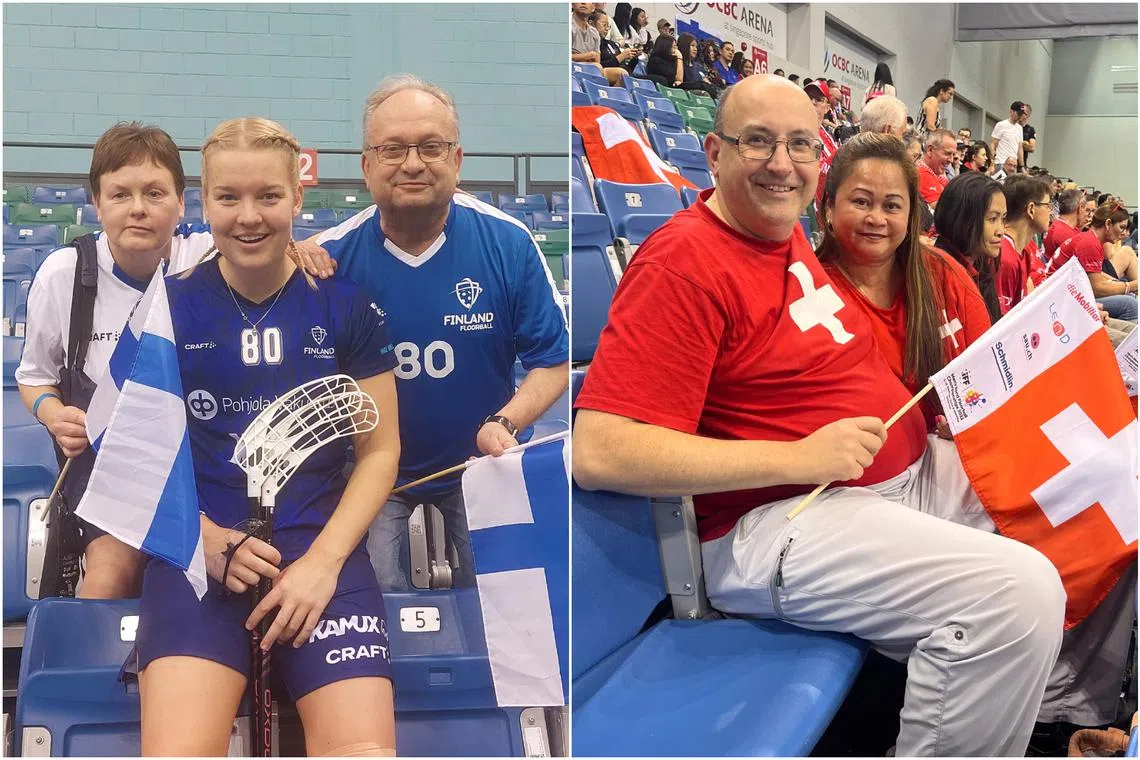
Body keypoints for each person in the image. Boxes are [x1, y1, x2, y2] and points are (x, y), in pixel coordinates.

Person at [572, 74, 1068, 757]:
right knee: (1016, 595)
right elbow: (601, 450)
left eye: (800, 144)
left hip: (892, 479)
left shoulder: (783, 239)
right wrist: (799, 457)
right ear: (714, 153)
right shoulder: (683, 261)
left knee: (1068, 498)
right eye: (758, 142)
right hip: (786, 514)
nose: (782, 162)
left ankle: (1066, 710)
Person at [137, 117, 401, 757]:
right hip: (198, 557)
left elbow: (380, 450)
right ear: (204, 202)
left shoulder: (344, 305)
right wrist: (205, 539)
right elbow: (137, 458)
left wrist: (323, 564)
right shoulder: (167, 308)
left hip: (319, 556)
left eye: (268, 197)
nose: (248, 216)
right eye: (228, 198)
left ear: (298, 199)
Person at [297, 76, 569, 592]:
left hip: (483, 461)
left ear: (458, 159)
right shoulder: (329, 259)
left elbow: (552, 361)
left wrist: (506, 421)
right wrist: (285, 259)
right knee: (369, 605)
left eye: (431, 146)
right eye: (393, 149)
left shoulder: (509, 244)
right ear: (366, 165)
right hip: (369, 475)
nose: (413, 163)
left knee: (506, 609)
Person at [15, 123, 214, 599]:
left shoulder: (209, 259)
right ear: (97, 203)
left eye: (154, 192)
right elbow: (35, 379)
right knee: (109, 578)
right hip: (109, 467)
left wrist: (304, 250)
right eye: (120, 194)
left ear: (181, 202)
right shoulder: (65, 275)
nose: (138, 208)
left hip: (197, 459)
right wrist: (54, 413)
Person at [815, 133, 990, 428]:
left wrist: (969, 420)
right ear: (829, 208)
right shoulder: (810, 291)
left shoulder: (944, 273)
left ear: (911, 215)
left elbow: (989, 376)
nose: (876, 218)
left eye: (892, 206)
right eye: (861, 201)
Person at [931, 171, 1008, 323]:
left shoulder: (981, 265)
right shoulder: (938, 275)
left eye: (1003, 219)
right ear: (963, 218)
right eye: (992, 219)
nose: (1001, 231)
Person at [1049, 201, 1138, 321]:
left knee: (1129, 296)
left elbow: (1095, 277)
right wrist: (1131, 285)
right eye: (1121, 227)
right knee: (1130, 304)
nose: (1123, 233)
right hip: (1062, 299)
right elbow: (1097, 288)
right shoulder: (1090, 244)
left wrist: (1123, 285)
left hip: (1065, 292)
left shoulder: (1091, 238)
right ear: (1108, 224)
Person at [996, 173, 1051, 313]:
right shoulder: (1005, 257)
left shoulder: (1023, 251)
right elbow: (1003, 324)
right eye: (1047, 205)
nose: (1051, 212)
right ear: (1031, 209)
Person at [571, 2, 628, 87]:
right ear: (572, 4)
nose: (583, 3)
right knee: (596, 67)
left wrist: (591, 57)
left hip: (590, 67)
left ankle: (607, 98)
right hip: (571, 65)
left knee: (622, 74)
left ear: (593, 7)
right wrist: (589, 55)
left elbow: (597, 59)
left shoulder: (594, 32)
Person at [805, 79, 839, 209]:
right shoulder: (798, 133)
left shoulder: (828, 136)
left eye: (818, 99)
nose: (813, 102)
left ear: (827, 108)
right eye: (809, 97)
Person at [1043, 188, 1087, 266]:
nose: (1087, 214)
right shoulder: (1067, 235)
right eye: (1086, 209)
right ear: (1080, 208)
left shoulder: (1057, 226)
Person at [916, 129, 956, 210]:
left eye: (953, 154)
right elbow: (938, 208)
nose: (951, 160)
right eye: (947, 153)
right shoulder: (921, 173)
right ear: (930, 150)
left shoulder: (938, 175)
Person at [673, 32, 719, 98]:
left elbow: (708, 84)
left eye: (696, 46)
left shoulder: (699, 67)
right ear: (684, 46)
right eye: (692, 45)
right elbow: (679, 83)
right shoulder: (677, 63)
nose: (695, 49)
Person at [989, 101, 1026, 173]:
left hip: (1013, 164)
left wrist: (1022, 167)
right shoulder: (1001, 125)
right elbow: (993, 144)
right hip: (1001, 163)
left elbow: (1020, 148)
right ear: (1011, 111)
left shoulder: (1019, 128)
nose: (1019, 116)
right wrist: (992, 163)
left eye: (1021, 114)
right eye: (1018, 113)